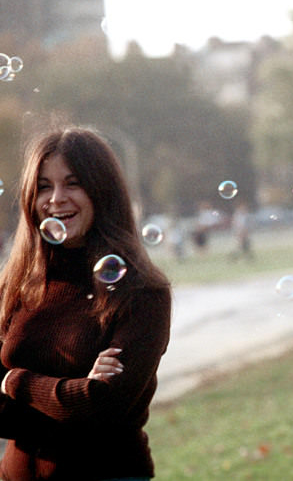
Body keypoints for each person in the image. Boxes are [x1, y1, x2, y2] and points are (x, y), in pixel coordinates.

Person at [0, 127, 171, 480]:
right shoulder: (14, 285)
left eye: (72, 183)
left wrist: (13, 382)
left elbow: (101, 407)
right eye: (44, 186)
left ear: (101, 191)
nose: (56, 198)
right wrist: (73, 394)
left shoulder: (142, 291)